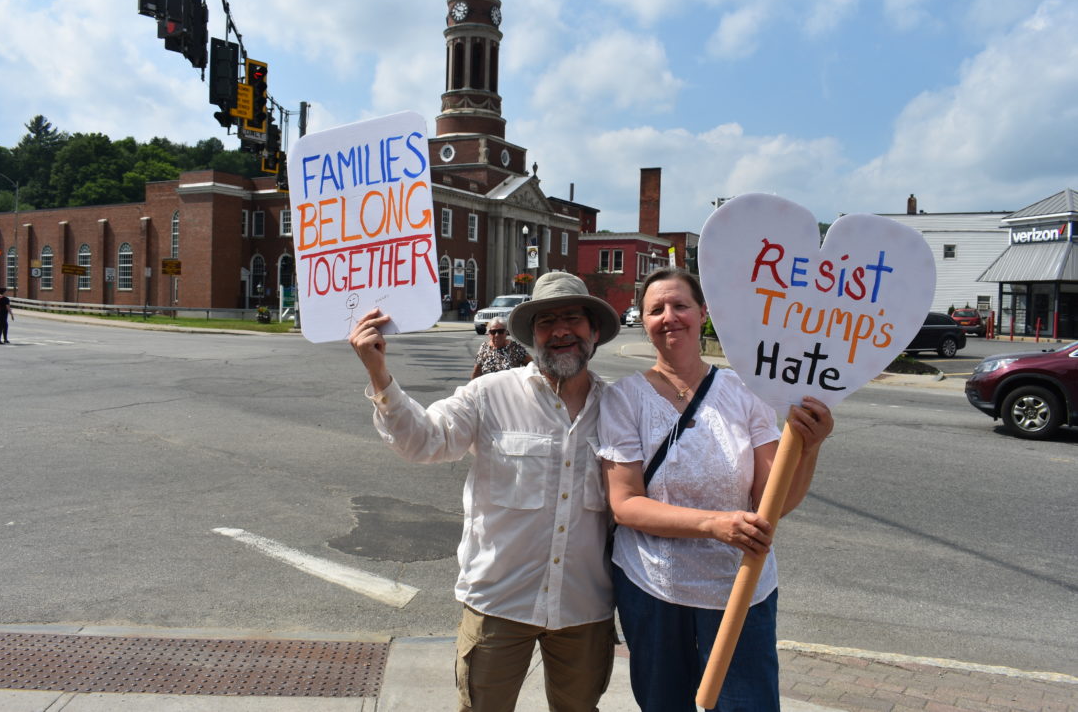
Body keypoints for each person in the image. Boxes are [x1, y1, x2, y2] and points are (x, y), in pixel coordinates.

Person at [349, 271, 621, 712]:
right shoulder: (489, 395)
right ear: (532, 335)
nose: (561, 331)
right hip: (499, 604)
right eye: (547, 321)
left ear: (593, 331)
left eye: (573, 318)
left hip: (584, 608)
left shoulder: (618, 407)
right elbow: (423, 440)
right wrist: (379, 374)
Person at [596, 267, 834, 712]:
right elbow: (625, 504)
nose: (670, 317)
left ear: (703, 313)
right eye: (656, 309)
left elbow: (773, 502)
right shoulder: (623, 398)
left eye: (680, 305)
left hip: (740, 590)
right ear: (643, 321)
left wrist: (811, 448)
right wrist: (714, 524)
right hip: (653, 589)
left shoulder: (747, 392)